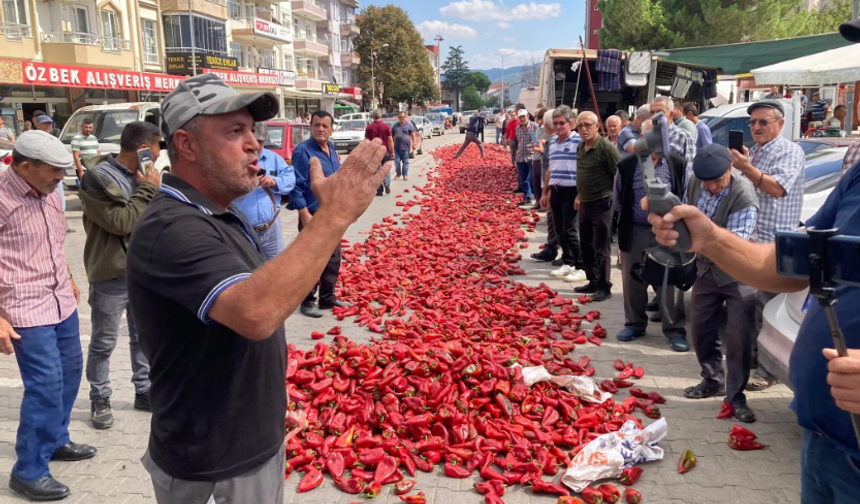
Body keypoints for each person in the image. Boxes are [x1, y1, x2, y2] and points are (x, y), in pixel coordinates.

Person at [127, 73, 389, 503]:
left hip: (243, 443)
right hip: (211, 462)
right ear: (186, 145)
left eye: (253, 130)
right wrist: (333, 215)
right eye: (234, 131)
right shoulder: (171, 227)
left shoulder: (220, 213)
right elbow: (257, 312)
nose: (255, 145)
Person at [0, 131, 95, 501]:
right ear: (25, 167)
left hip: (60, 302)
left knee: (70, 372)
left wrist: (68, 278)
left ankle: (56, 439)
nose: (62, 177)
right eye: (54, 171)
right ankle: (28, 470)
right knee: (45, 384)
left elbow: (55, 242)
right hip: (23, 307)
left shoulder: (51, 194)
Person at [79, 121, 162, 430]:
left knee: (142, 337)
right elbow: (121, 221)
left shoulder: (144, 176)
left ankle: (144, 390)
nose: (158, 155)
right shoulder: (97, 178)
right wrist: (148, 190)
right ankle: (100, 398)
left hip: (143, 272)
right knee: (103, 342)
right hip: (111, 273)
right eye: (156, 148)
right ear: (143, 149)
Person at [729, 100, 805, 392]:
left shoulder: (789, 151)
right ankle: (749, 359)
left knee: (768, 306)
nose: (756, 127)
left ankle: (766, 369)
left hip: (775, 244)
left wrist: (746, 167)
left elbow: (776, 187)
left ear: (780, 124)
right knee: (749, 303)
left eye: (763, 122)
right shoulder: (758, 151)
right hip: (752, 240)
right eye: (752, 123)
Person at [682, 144, 759, 422]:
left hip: (739, 272)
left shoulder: (743, 193)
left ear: (730, 169)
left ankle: (736, 396)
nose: (711, 187)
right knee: (701, 328)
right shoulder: (695, 181)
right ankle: (712, 379)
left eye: (717, 181)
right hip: (706, 270)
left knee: (738, 338)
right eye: (706, 182)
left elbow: (735, 243)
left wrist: (698, 238)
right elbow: (684, 212)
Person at [615, 118, 689, 351]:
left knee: (670, 282)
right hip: (635, 229)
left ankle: (674, 329)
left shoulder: (676, 164)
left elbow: (685, 195)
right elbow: (618, 200)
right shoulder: (627, 166)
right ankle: (635, 323)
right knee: (632, 280)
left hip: (667, 231)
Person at [289, 110, 351, 319]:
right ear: (311, 127)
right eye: (317, 125)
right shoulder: (303, 152)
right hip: (312, 213)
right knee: (311, 259)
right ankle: (307, 300)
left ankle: (327, 296)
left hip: (331, 213)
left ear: (332, 129)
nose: (321, 129)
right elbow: (296, 186)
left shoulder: (331, 149)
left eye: (325, 126)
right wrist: (304, 214)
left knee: (333, 258)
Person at [573, 111, 620, 301]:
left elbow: (619, 176)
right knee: (585, 243)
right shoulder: (580, 147)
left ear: (597, 126)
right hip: (585, 201)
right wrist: (579, 194)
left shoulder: (606, 148)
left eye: (587, 125)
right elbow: (582, 173)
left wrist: (616, 202)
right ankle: (592, 279)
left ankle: (604, 286)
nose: (583, 129)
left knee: (600, 245)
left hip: (602, 202)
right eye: (580, 126)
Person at [232, 122, 295, 260]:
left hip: (271, 229)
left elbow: (290, 178)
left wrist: (274, 182)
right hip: (242, 231)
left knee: (277, 269)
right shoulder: (233, 160)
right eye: (253, 140)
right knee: (248, 272)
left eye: (260, 141)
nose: (256, 146)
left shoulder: (273, 158)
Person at [540, 106, 587, 283]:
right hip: (556, 189)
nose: (558, 126)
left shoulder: (578, 142)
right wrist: (546, 192)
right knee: (559, 230)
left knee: (570, 230)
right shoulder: (552, 141)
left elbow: (585, 169)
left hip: (572, 190)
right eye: (556, 123)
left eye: (562, 123)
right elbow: (550, 169)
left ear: (571, 123)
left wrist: (580, 194)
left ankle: (581, 266)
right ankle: (568, 261)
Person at [531, 108, 560, 262]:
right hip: (551, 186)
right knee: (553, 220)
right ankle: (551, 248)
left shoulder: (556, 141)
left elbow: (553, 167)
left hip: (557, 188)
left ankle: (567, 256)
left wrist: (547, 192)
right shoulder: (552, 140)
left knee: (560, 223)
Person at [651, 96, 696, 183]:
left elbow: (689, 173)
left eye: (660, 112)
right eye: (652, 112)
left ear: (671, 114)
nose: (654, 116)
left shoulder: (684, 137)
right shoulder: (645, 137)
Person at [365, 109, 393, 196]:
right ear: (381, 116)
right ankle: (387, 183)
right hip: (385, 151)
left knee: (376, 171)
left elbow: (366, 141)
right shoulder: (386, 126)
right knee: (386, 169)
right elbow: (390, 141)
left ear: (373, 116)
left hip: (374, 152)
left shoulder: (369, 127)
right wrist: (392, 152)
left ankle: (379, 189)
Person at [514, 109, 537, 206]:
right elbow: (517, 142)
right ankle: (527, 198)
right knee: (524, 179)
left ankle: (537, 198)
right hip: (520, 157)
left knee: (532, 178)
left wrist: (534, 145)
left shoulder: (533, 127)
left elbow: (536, 142)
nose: (522, 119)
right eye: (520, 117)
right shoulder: (517, 129)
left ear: (528, 116)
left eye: (524, 116)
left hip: (531, 156)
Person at [531, 107, 549, 211]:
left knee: (543, 182)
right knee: (536, 181)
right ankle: (538, 201)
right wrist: (534, 141)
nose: (538, 120)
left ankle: (544, 204)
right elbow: (535, 138)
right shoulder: (538, 127)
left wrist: (542, 142)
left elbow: (548, 142)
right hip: (536, 156)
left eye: (539, 117)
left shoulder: (548, 129)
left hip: (543, 157)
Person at [71, 116, 100, 180]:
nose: (88, 129)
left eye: (90, 127)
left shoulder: (94, 138)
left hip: (95, 169)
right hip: (84, 169)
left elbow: (98, 154)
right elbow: (76, 156)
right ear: (81, 127)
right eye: (86, 127)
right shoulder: (76, 139)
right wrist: (81, 171)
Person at [392, 111, 418, 181]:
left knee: (405, 162)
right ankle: (398, 173)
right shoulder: (395, 126)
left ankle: (405, 175)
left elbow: (413, 135)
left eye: (403, 117)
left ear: (405, 117)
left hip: (405, 147)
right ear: (398, 117)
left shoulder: (409, 125)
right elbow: (391, 137)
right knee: (397, 161)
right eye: (400, 117)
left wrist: (414, 144)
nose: (401, 118)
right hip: (396, 148)